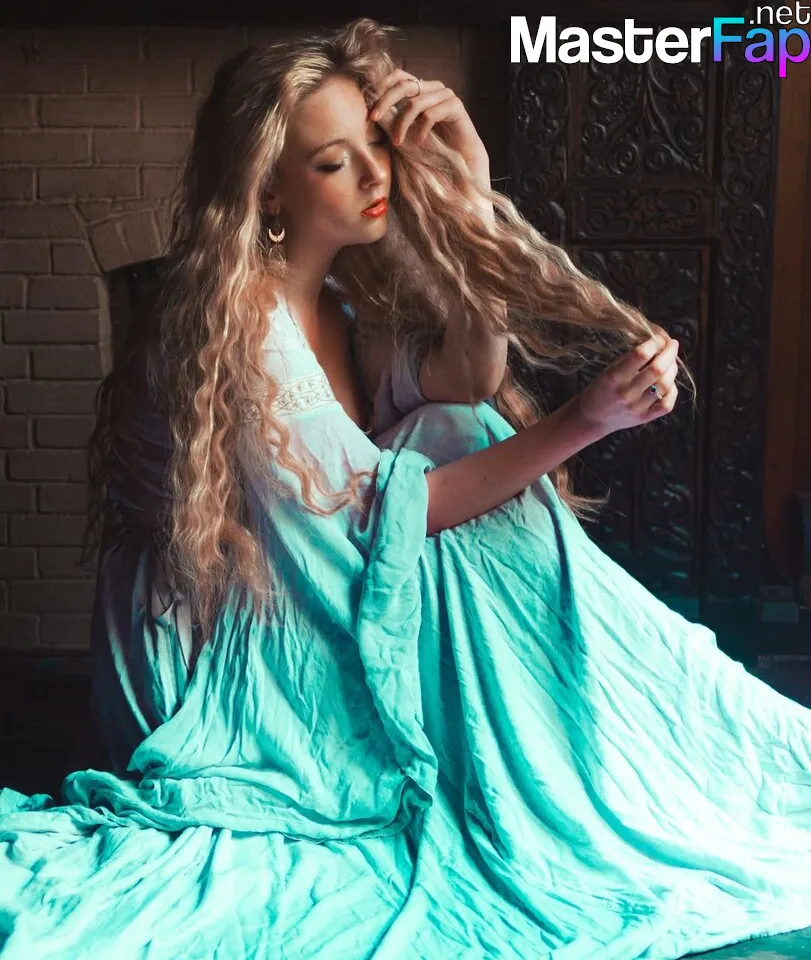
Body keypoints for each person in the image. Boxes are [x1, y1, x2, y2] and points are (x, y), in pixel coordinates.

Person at [1, 16, 810, 960]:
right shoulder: (247, 318)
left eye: (375, 146)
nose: (373, 175)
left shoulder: (334, 300)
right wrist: (586, 420)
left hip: (311, 593)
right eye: (333, 162)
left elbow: (467, 376)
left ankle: (609, 751)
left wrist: (471, 185)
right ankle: (599, 752)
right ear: (268, 185)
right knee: (472, 453)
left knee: (457, 426)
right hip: (228, 651)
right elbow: (386, 518)